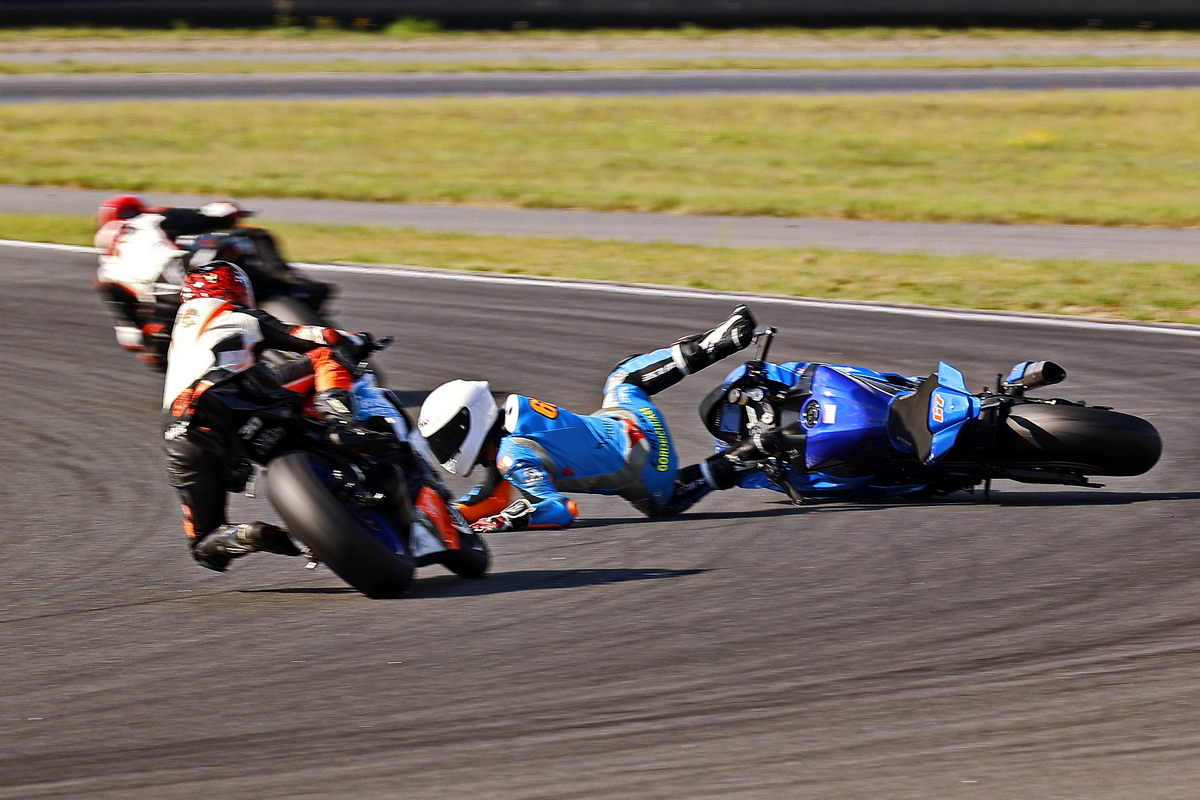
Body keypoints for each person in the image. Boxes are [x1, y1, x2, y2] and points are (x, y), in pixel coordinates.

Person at [416, 306, 762, 532]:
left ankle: (742, 457)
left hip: (651, 478)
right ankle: (714, 345)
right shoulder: (512, 417)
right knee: (622, 379)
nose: (444, 448)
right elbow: (493, 493)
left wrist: (507, 520)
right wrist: (449, 515)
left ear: (469, 421)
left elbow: (558, 508)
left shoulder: (511, 455)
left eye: (446, 438)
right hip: (634, 420)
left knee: (664, 501)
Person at [162, 261, 394, 572]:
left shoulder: (180, 334)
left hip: (180, 430)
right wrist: (356, 339)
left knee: (204, 544)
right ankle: (342, 422)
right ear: (234, 289)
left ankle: (244, 535)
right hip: (235, 393)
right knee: (324, 355)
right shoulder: (235, 314)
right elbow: (310, 335)